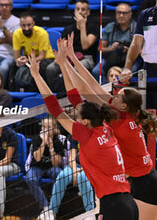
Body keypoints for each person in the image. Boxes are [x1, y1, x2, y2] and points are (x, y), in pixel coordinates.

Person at [28, 41, 138, 220]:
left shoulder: (86, 136)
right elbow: (75, 97)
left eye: (77, 117)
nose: (75, 117)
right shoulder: (106, 126)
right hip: (128, 201)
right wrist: (64, 64)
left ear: (85, 122)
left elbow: (55, 108)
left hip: (113, 205)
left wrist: (36, 75)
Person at [56, 34, 157, 220]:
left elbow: (88, 90)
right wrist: (70, 59)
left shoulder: (119, 120)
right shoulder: (125, 115)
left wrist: (67, 62)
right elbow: (93, 87)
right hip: (143, 180)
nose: (114, 95)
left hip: (145, 185)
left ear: (124, 105)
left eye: (119, 96)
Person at [46, 0, 99, 94]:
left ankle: (73, 94)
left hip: (86, 58)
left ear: (88, 12)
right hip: (69, 57)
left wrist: (82, 26)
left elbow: (85, 46)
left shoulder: (93, 28)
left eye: (83, 9)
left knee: (75, 70)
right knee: (51, 68)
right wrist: (60, 58)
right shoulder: (68, 29)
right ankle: (56, 93)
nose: (80, 12)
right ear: (74, 11)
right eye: (78, 9)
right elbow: (63, 47)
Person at [120, 0, 157, 109]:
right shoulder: (145, 14)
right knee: (148, 112)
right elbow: (136, 43)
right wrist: (127, 68)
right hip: (149, 69)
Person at [24, 118, 64, 220]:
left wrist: (51, 148)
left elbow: (56, 163)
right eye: (43, 127)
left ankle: (53, 208)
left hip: (51, 167)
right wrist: (43, 143)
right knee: (30, 178)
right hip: (37, 167)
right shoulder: (37, 139)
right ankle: (45, 207)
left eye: (48, 127)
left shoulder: (58, 141)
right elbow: (37, 159)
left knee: (60, 176)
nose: (45, 130)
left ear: (54, 129)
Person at [92, 3, 142, 84]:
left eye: (124, 13)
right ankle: (105, 92)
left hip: (131, 59)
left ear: (130, 14)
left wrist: (130, 50)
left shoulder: (137, 28)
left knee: (126, 73)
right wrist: (111, 48)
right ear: (115, 14)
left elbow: (143, 51)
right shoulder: (110, 27)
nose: (121, 15)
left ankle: (123, 94)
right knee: (96, 71)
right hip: (112, 57)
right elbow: (100, 49)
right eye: (119, 12)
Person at [48, 137, 94, 220]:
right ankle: (52, 211)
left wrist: (81, 170)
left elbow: (93, 160)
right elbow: (71, 158)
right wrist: (74, 172)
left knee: (82, 177)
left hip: (89, 167)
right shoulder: (76, 135)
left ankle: (90, 213)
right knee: (62, 176)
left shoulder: (93, 136)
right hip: (75, 166)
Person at [13, 11, 54, 91]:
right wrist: (18, 61)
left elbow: (41, 57)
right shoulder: (16, 34)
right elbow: (16, 57)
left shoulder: (42, 33)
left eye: (29, 25)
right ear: (20, 25)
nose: (26, 28)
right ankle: (17, 91)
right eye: (23, 25)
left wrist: (27, 61)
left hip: (46, 59)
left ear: (33, 23)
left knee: (40, 67)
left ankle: (40, 91)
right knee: (13, 66)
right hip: (28, 59)